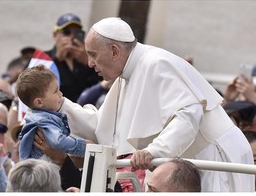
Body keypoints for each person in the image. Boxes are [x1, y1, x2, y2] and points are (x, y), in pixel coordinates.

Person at [54, 17, 254, 192]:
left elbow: (189, 114)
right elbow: (104, 126)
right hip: (188, 163)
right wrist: (60, 105)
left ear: (114, 51)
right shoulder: (127, 74)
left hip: (214, 156)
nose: (89, 63)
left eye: (93, 54)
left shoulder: (155, 63)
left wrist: (154, 151)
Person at [16, 65, 91, 161]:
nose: (61, 94)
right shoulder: (42, 120)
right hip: (43, 171)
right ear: (39, 102)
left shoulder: (34, 116)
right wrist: (84, 146)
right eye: (55, 91)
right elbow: (58, 141)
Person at [45, 13, 102, 102]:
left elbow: (99, 86)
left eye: (77, 33)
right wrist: (57, 61)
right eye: (66, 32)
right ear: (55, 35)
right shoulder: (44, 58)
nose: (71, 37)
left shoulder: (85, 60)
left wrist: (88, 63)